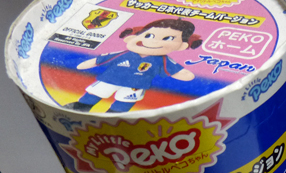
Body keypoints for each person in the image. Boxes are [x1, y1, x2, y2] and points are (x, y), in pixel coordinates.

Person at [65, 18, 201, 113]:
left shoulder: (162, 59)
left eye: (169, 39)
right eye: (149, 35)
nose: (153, 42)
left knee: (126, 100)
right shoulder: (122, 54)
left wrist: (184, 74)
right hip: (109, 79)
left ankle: (115, 114)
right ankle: (82, 106)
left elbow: (179, 72)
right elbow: (100, 59)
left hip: (135, 85)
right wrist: (87, 64)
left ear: (182, 45)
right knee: (96, 92)